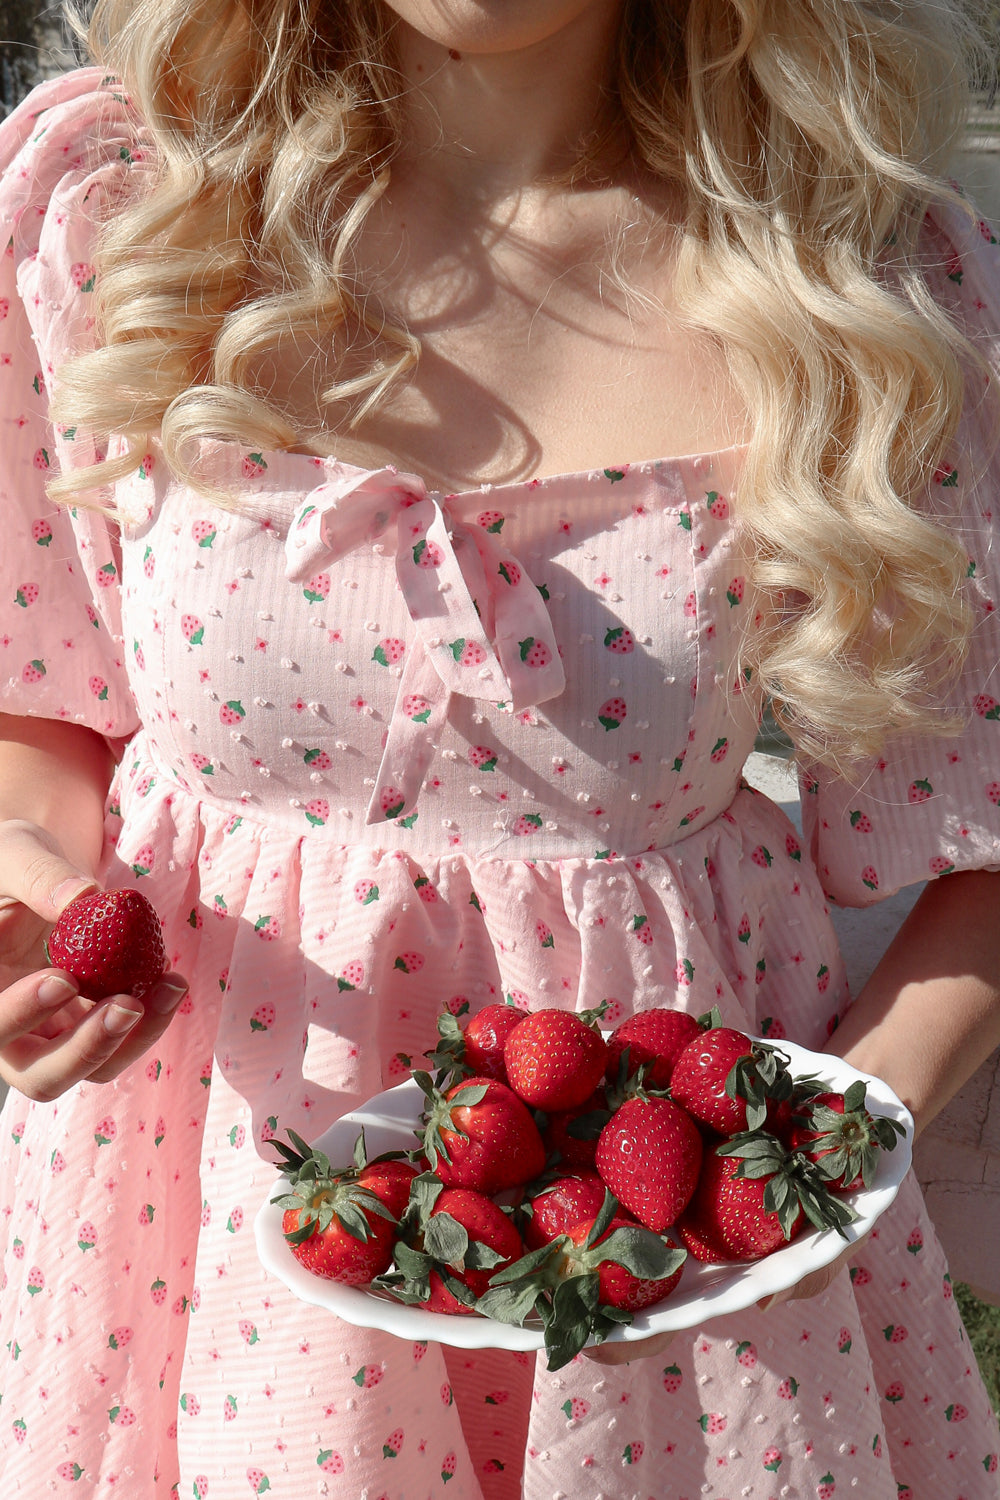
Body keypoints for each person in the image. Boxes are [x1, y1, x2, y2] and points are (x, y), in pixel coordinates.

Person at [1, 0, 999, 1494]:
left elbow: (977, 824)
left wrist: (828, 1163)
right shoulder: (120, 206)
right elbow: (41, 690)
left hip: (667, 1280)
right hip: (193, 1238)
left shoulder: (853, 277)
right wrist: (34, 889)